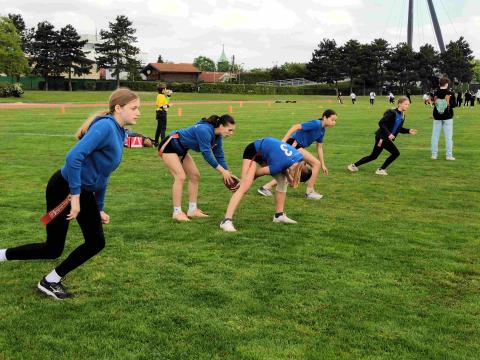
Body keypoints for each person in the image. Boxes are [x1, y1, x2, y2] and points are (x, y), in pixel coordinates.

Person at [0, 88, 141, 300]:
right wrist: (75, 198)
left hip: (81, 191)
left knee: (93, 242)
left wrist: (99, 207)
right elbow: (73, 157)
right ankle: (5, 256)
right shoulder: (105, 127)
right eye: (134, 108)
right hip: (65, 188)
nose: (138, 112)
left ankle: (51, 280)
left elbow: (103, 173)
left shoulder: (120, 132)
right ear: (118, 108)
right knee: (53, 248)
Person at [220, 137, 319, 232]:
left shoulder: (299, 158)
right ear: (296, 173)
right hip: (254, 150)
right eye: (295, 177)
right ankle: (226, 221)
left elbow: (285, 163)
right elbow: (258, 173)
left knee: (283, 180)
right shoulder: (279, 165)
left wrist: (289, 177)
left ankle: (279, 216)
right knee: (245, 186)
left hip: (268, 151)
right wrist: (244, 180)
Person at [158, 115, 236, 221]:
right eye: (230, 130)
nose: (231, 133)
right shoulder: (204, 130)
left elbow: (219, 156)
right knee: (180, 176)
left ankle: (192, 210)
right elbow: (207, 154)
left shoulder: (218, 138)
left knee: (195, 176)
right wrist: (222, 171)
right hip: (169, 145)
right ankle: (177, 212)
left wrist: (227, 173)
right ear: (221, 126)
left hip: (181, 149)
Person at [257, 109, 337, 200]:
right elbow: (295, 126)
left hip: (297, 147)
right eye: (332, 119)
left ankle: (266, 187)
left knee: (295, 172)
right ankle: (309, 192)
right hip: (293, 145)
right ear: (324, 118)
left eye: (335, 121)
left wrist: (323, 164)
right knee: (315, 164)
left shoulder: (322, 131)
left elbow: (319, 147)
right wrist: (283, 141)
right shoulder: (316, 124)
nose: (334, 122)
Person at [347, 96, 417, 176]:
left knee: (373, 156)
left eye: (408, 104)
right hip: (382, 137)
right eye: (406, 104)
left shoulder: (402, 116)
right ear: (399, 104)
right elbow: (381, 123)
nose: (407, 106)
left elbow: (398, 128)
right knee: (395, 153)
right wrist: (389, 134)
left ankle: (353, 166)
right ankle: (381, 169)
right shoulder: (392, 113)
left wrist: (408, 131)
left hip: (385, 138)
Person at [431, 77, 457, 161]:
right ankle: (449, 155)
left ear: (439, 84)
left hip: (437, 116)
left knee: (435, 136)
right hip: (448, 117)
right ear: (447, 84)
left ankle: (434, 155)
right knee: (449, 137)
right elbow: (454, 105)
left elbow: (433, 103)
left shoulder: (435, 93)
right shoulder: (450, 93)